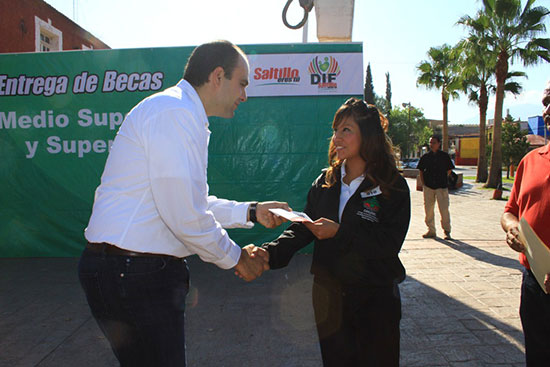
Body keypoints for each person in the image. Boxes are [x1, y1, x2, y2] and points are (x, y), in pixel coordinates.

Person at [78, 40, 288, 367]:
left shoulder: (177, 112)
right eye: (242, 83)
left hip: (126, 271)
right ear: (218, 76)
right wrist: (236, 258)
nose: (244, 95)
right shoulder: (175, 113)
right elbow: (186, 216)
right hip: (133, 274)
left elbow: (190, 202)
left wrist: (251, 211)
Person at [257, 98, 411, 366]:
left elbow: (387, 245)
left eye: (346, 130)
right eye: (335, 130)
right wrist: (268, 255)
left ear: (369, 135)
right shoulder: (326, 181)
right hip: (330, 299)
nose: (336, 138)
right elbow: (304, 229)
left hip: (375, 299)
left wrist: (340, 232)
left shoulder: (392, 186)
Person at [501, 80, 550, 366]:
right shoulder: (529, 161)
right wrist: (511, 228)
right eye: (545, 102)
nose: (548, 109)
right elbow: (510, 211)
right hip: (533, 279)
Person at [417, 135, 454, 239]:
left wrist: (443, 178)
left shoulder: (444, 156)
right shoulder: (425, 157)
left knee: (444, 209)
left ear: (438, 144)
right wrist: (424, 183)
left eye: (433, 142)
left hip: (441, 187)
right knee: (428, 209)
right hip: (428, 187)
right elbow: (421, 170)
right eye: (430, 142)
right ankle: (431, 230)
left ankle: (447, 231)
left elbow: (449, 169)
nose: (431, 145)